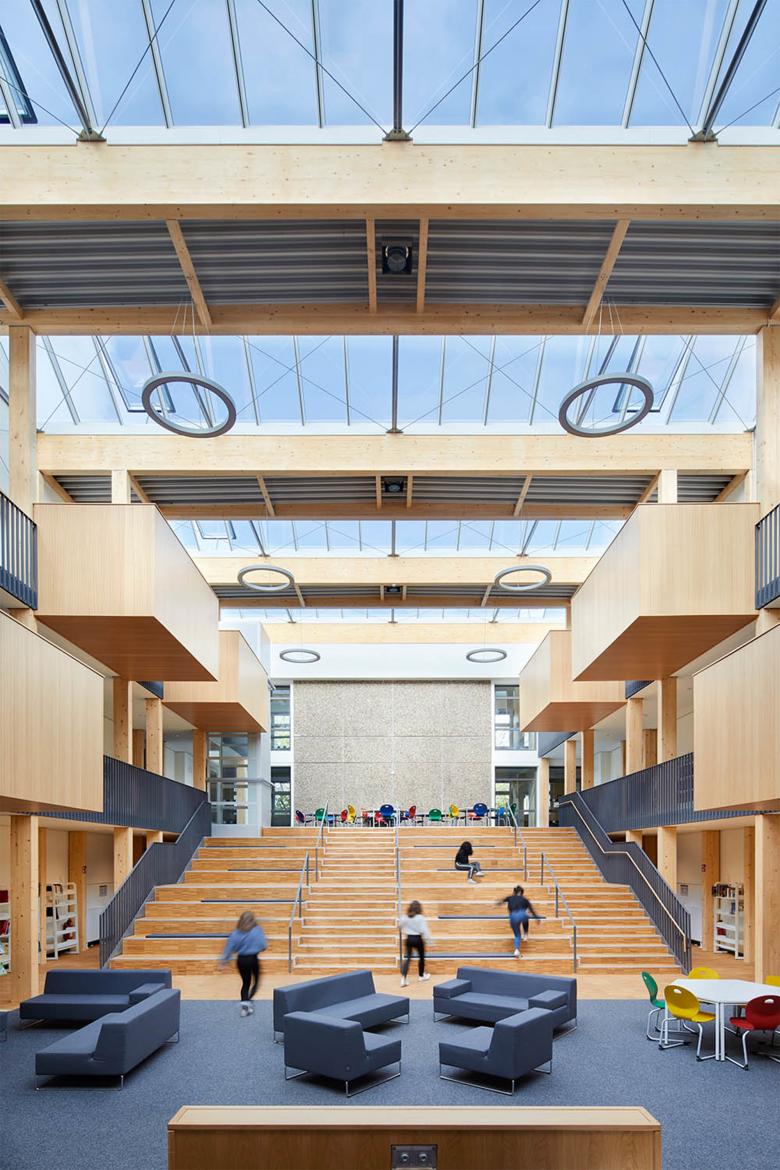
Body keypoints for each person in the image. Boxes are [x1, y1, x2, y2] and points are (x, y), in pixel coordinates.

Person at [219, 910, 268, 1016]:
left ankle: (245, 1006)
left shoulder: (235, 933)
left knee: (245, 983)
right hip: (253, 959)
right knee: (256, 982)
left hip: (241, 960)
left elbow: (229, 948)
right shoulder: (257, 930)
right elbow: (263, 945)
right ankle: (247, 1001)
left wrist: (224, 961)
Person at [497, 885, 540, 958]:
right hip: (522, 914)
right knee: (526, 916)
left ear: (514, 892)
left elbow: (502, 901)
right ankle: (525, 933)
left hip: (513, 916)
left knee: (517, 935)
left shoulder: (510, 897)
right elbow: (531, 909)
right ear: (521, 893)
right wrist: (536, 918)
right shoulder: (525, 899)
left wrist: (498, 903)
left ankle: (516, 950)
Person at [399, 900, 432, 987]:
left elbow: (399, 925)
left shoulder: (405, 917)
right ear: (419, 908)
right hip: (418, 939)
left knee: (408, 959)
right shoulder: (421, 918)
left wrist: (405, 929)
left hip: (409, 939)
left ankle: (403, 979)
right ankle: (421, 976)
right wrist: (429, 941)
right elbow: (425, 930)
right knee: (421, 957)